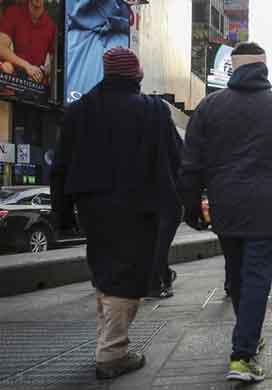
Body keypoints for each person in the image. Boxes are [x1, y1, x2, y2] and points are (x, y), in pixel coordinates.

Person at [179, 42, 272, 382]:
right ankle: (242, 355)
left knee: (238, 275)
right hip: (270, 206)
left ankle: (248, 335)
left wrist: (191, 204)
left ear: (234, 68)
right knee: (256, 278)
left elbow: (191, 163)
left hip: (226, 206)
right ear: (264, 67)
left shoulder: (209, 107)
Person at [50, 48, 181, 379]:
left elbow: (60, 166)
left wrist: (62, 215)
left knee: (105, 267)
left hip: (92, 206)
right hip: (140, 205)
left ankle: (106, 344)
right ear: (136, 74)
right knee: (129, 275)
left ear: (106, 73)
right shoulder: (153, 110)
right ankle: (112, 354)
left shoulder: (79, 110)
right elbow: (177, 159)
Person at [0, 0, 55, 83]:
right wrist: (27, 66)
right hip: (13, 79)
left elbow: (52, 63)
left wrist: (43, 72)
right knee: (6, 68)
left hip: (36, 83)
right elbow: (1, 48)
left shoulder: (52, 26)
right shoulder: (14, 13)